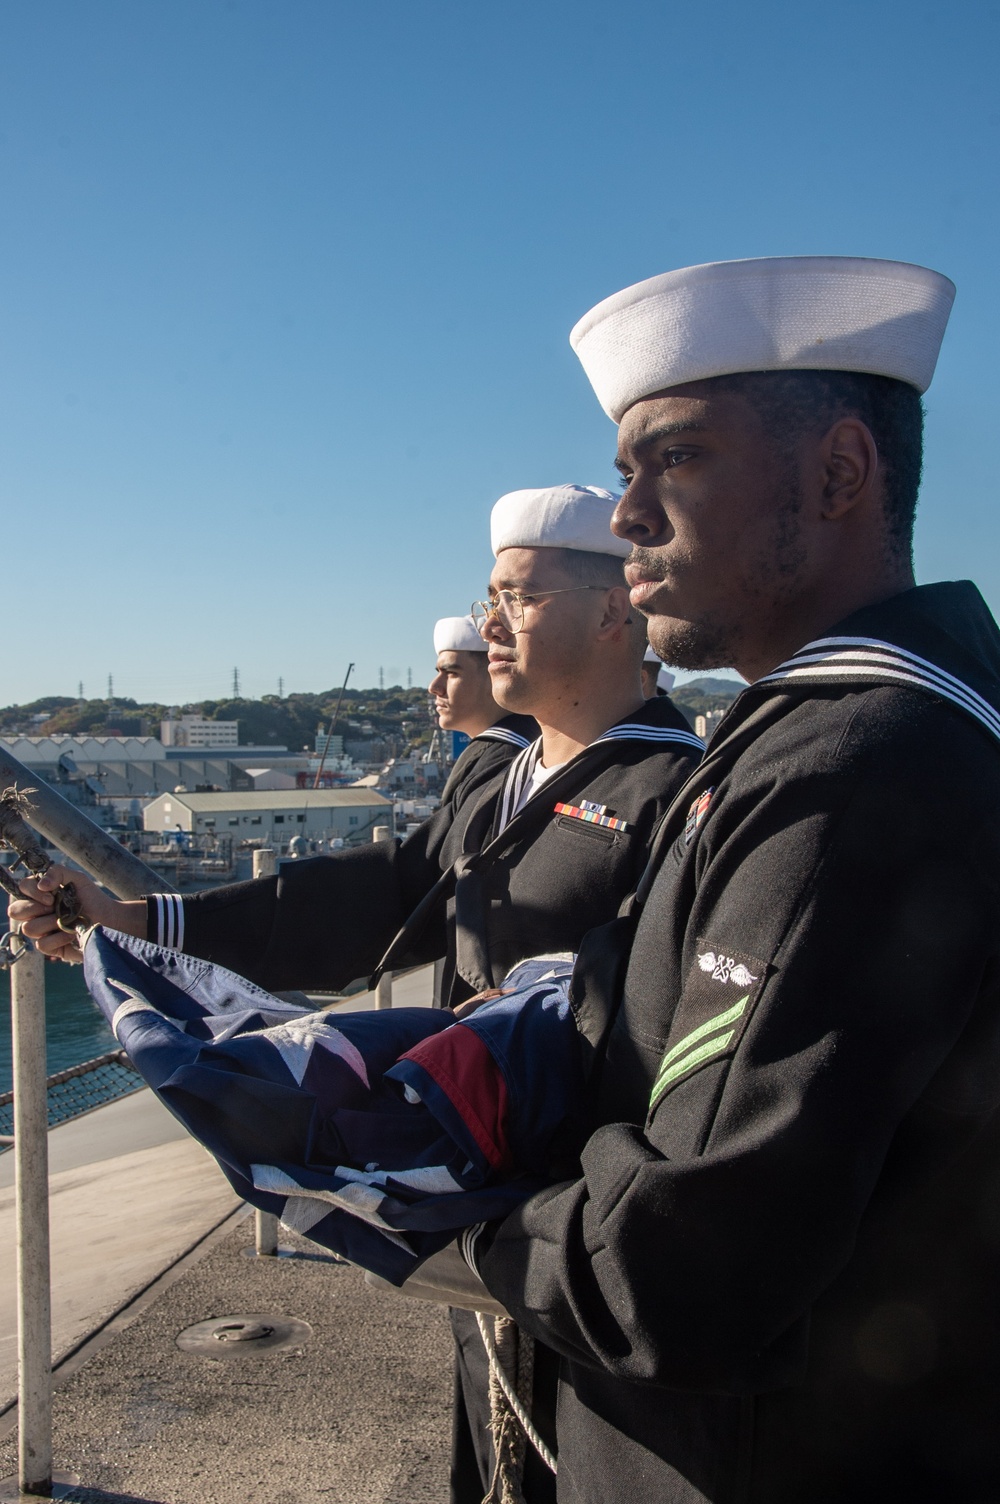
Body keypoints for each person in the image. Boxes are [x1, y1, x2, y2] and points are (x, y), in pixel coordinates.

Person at [13, 481, 703, 1503]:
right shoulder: (499, 777)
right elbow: (368, 899)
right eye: (488, 597)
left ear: (614, 614)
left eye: (517, 597)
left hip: (578, 1248)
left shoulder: (678, 792)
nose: (487, 626)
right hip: (482, 1228)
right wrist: (138, 922)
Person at [453, 256, 1000, 1502]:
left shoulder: (853, 766)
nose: (627, 512)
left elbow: (684, 1267)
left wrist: (448, 1207)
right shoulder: (851, 728)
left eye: (677, 458)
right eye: (625, 468)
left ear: (839, 473)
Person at [429, 613, 538, 803]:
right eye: (439, 672)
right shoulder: (527, 741)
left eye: (452, 673)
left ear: (495, 677)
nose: (434, 687)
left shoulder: (500, 757)